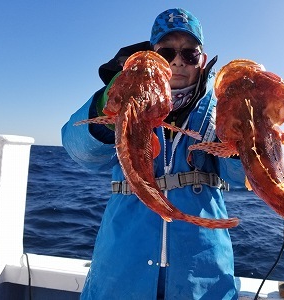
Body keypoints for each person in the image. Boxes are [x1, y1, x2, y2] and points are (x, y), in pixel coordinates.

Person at [62, 8, 245, 299]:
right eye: (167, 52)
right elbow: (79, 150)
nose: (177, 61)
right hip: (121, 273)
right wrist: (106, 108)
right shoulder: (119, 97)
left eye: (190, 54)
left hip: (202, 278)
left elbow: (242, 178)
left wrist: (241, 142)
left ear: (202, 61)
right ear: (153, 55)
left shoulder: (219, 110)